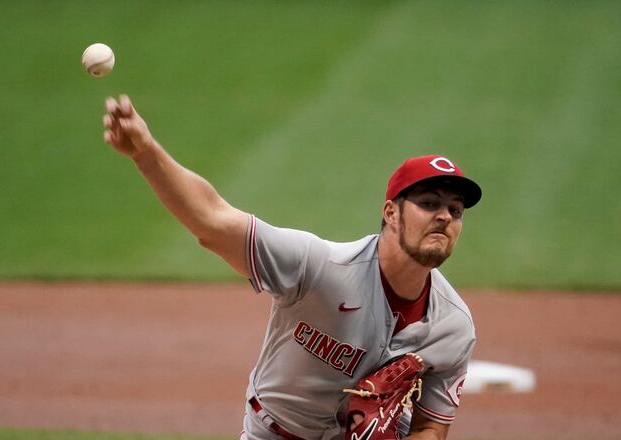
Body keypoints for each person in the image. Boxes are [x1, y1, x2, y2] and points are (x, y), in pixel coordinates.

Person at [102, 95, 482, 440]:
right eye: (429, 203)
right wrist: (145, 153)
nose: (444, 217)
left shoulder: (453, 326)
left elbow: (431, 425)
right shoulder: (319, 267)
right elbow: (212, 223)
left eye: (455, 211)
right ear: (391, 213)